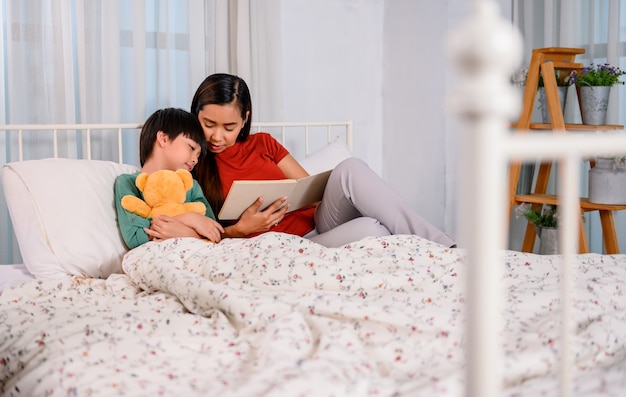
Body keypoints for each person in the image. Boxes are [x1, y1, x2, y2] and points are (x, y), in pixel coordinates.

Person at [153, 73, 455, 248]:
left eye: (229, 127)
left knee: (350, 168)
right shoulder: (192, 163)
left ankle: (445, 247)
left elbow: (310, 191)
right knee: (374, 230)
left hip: (319, 223)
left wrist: (301, 196)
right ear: (196, 115)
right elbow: (200, 230)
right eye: (208, 124)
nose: (217, 137)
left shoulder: (264, 143)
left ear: (244, 120)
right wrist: (241, 228)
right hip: (290, 246)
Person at [115, 107, 224, 249]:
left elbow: (212, 231)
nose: (195, 160)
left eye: (198, 155)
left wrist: (183, 231)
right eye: (191, 148)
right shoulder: (128, 183)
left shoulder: (191, 186)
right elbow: (135, 236)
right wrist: (189, 219)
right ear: (163, 138)